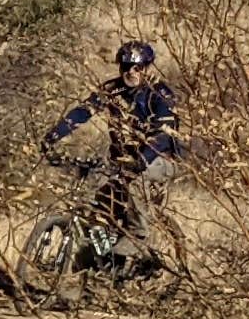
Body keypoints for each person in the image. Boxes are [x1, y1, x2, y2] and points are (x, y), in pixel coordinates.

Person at [43, 39, 183, 242]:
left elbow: (163, 135)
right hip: (123, 161)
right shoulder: (112, 90)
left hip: (159, 159)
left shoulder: (159, 94)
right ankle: (98, 259)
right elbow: (83, 112)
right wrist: (53, 137)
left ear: (146, 67)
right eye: (126, 67)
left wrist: (141, 161)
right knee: (101, 204)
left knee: (135, 183)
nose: (131, 72)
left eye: (138, 67)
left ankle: (138, 236)